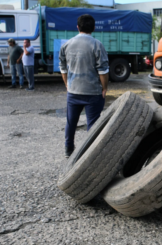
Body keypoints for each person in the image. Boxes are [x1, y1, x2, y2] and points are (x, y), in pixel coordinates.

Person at [59, 14, 109, 158]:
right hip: (93, 92)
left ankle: (69, 150)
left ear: (77, 27)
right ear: (93, 28)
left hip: (73, 91)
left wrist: (68, 85)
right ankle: (90, 154)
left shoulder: (67, 45)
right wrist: (104, 88)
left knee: (71, 122)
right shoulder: (97, 44)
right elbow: (103, 71)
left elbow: (63, 68)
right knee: (93, 125)